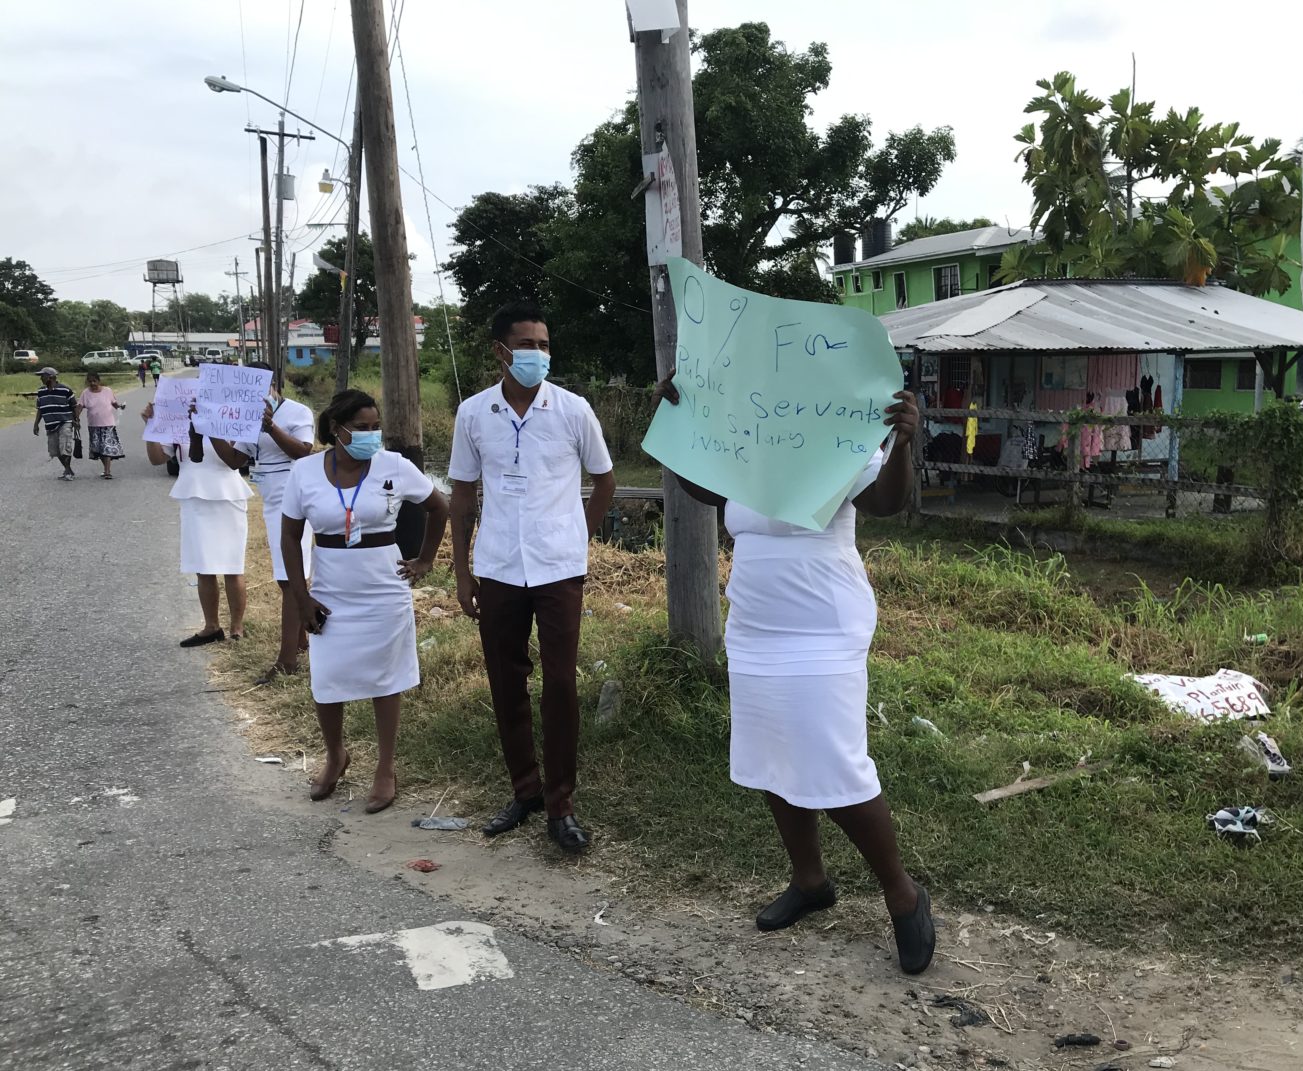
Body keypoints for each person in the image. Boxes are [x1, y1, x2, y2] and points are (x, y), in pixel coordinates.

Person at [655, 374, 937, 975]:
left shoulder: (837, 432)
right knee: (771, 753)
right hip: (756, 622)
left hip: (823, 624)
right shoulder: (749, 438)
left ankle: (901, 892)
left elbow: (886, 502)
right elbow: (704, 491)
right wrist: (681, 426)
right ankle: (810, 880)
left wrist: (903, 444)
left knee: (835, 761)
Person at [448, 302, 617, 854]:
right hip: (497, 565)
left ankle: (560, 803)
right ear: (501, 351)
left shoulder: (572, 410)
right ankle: (524, 791)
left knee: (561, 684)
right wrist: (463, 573)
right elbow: (464, 496)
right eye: (528, 346)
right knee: (506, 679)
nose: (539, 355)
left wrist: (577, 537)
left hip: (558, 569)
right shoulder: (474, 414)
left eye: (545, 345)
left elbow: (605, 481)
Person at [281, 389, 449, 815]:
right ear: (336, 429)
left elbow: (439, 507)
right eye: (362, 428)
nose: (371, 436)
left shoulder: (394, 465)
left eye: (376, 427)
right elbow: (289, 535)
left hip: (383, 589)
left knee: (385, 679)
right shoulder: (304, 472)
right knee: (327, 677)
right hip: (331, 590)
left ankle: (385, 767)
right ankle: (336, 754)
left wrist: (425, 560)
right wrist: (302, 598)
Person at [205, 362, 316, 684]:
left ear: (273, 385)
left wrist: (271, 428)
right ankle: (301, 640)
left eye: (256, 386)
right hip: (271, 501)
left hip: (296, 499)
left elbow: (304, 452)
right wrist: (211, 427)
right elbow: (235, 461)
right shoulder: (243, 415)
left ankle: (287, 660)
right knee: (286, 578)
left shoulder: (296, 412)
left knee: (291, 578)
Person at [142, 399, 250, 646]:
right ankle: (211, 626)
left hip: (228, 494)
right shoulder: (177, 422)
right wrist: (151, 426)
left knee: (233, 565)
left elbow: (235, 458)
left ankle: (237, 626)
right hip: (193, 494)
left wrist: (207, 422)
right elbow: (157, 459)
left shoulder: (229, 417)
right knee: (203, 565)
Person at [76, 372, 127, 479]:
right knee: (98, 449)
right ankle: (106, 470)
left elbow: (113, 402)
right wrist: (76, 419)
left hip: (107, 424)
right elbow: (80, 406)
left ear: (99, 381)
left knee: (106, 448)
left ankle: (107, 472)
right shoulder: (85, 393)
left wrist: (119, 406)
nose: (92, 383)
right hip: (93, 425)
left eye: (94, 381)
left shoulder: (107, 391)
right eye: (90, 381)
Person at [32, 368, 78, 480]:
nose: (41, 378)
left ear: (51, 377)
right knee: (55, 451)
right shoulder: (41, 391)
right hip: (50, 424)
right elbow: (40, 408)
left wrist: (76, 420)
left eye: (43, 376)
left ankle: (67, 472)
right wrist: (36, 424)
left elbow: (74, 406)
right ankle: (69, 469)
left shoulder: (65, 390)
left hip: (65, 422)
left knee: (64, 447)